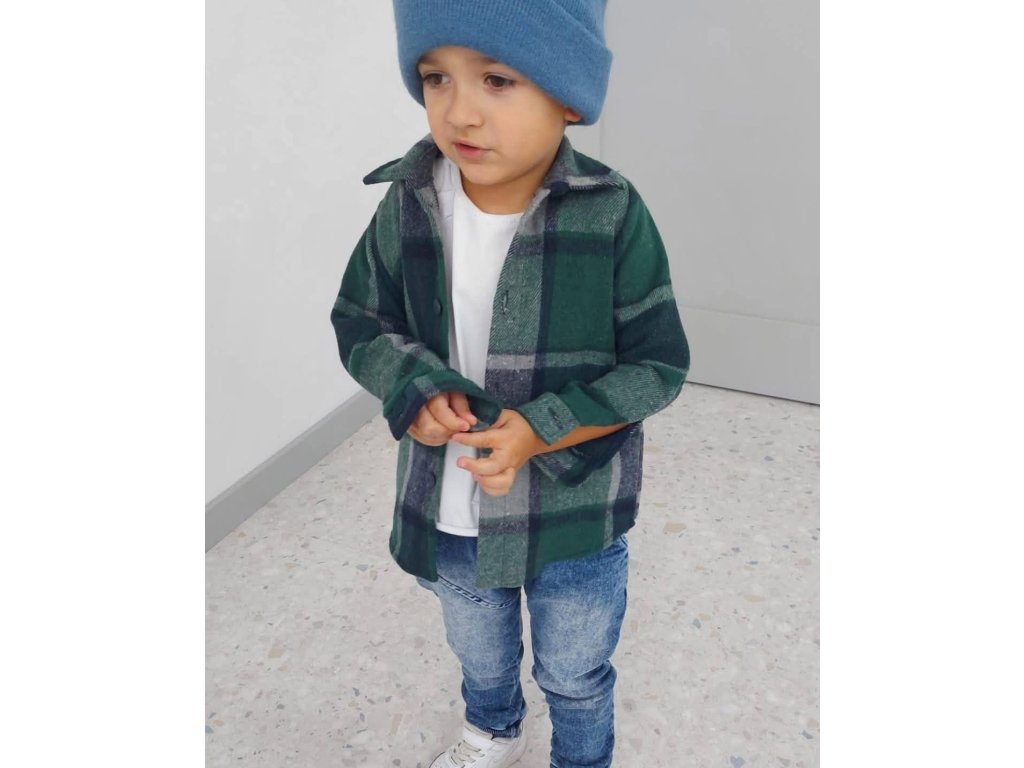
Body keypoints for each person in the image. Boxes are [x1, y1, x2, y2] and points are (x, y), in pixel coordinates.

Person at [329, 1, 689, 765]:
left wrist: (539, 429)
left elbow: (657, 366)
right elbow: (361, 318)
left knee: (575, 672)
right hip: (452, 508)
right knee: (480, 655)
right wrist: (415, 390)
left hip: (573, 518)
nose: (459, 111)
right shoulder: (410, 201)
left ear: (568, 97)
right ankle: (492, 730)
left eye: (497, 79)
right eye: (436, 77)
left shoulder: (610, 213)